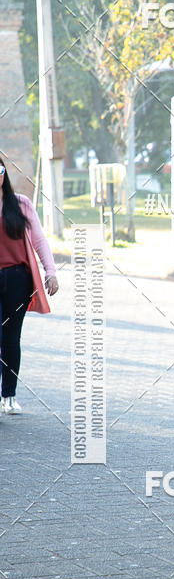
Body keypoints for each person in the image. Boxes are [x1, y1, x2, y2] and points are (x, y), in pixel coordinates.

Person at [0, 158, 59, 415]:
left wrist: (51, 272)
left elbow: (39, 240)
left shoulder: (21, 204)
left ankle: (9, 396)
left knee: (10, 338)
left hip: (16, 280)